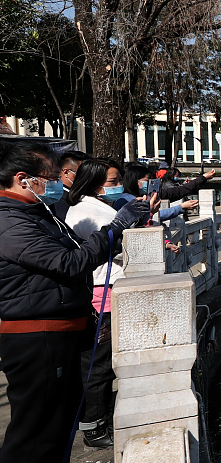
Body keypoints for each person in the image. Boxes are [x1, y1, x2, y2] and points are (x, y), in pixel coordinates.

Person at [0, 140, 149, 463]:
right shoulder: (9, 220)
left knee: (60, 419)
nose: (55, 185)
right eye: (49, 177)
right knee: (33, 427)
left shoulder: (34, 211)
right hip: (36, 335)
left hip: (61, 326)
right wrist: (115, 228)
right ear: (22, 179)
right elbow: (69, 263)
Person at [65, 159, 137, 448]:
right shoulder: (86, 211)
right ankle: (93, 428)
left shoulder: (96, 206)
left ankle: (101, 419)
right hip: (100, 293)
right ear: (95, 183)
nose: (118, 184)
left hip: (109, 289)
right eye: (112, 180)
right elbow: (109, 244)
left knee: (105, 364)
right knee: (97, 365)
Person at [51, 150, 88, 221]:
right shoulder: (57, 199)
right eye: (83, 172)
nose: (86, 177)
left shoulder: (77, 195)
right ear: (66, 172)